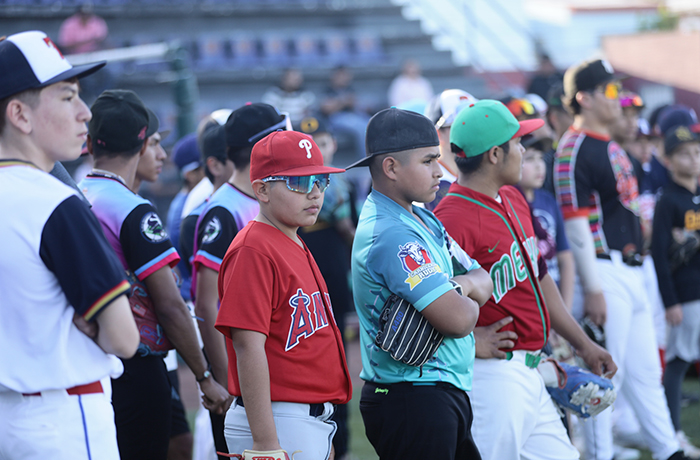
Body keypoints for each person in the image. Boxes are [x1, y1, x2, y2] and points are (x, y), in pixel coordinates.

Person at [434, 99, 615, 460]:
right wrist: (471, 341)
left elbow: (540, 277)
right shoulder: (451, 218)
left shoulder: (513, 197)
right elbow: (430, 300)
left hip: (534, 367)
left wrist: (582, 344)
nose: (523, 150)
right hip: (493, 376)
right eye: (517, 144)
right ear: (495, 155)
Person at [0, 30, 139, 460]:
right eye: (66, 97)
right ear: (20, 115)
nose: (84, 114)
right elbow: (124, 339)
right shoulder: (54, 200)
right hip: (64, 416)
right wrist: (101, 324)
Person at [80, 89, 230, 460]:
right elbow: (170, 306)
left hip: (90, 359)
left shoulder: (78, 195)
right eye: (156, 143)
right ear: (141, 141)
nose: (162, 155)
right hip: (137, 364)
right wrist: (203, 376)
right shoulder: (132, 209)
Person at [554, 58, 687, 460]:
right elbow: (576, 226)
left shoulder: (609, 143)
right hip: (604, 268)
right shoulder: (574, 147)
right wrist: (592, 288)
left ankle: (668, 450)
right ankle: (600, 455)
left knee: (646, 373)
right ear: (585, 98)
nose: (618, 98)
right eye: (610, 91)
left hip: (632, 267)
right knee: (606, 377)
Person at [348, 107, 492, 460]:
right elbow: (460, 321)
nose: (439, 171)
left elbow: (485, 280)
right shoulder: (393, 232)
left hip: (435, 393)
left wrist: (455, 288)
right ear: (391, 168)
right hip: (413, 398)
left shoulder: (422, 217)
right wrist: (463, 291)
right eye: (428, 161)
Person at [215, 130, 352, 460]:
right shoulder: (253, 248)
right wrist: (264, 443)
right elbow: (248, 347)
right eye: (298, 183)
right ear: (262, 189)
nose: (314, 192)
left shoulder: (291, 238)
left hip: (305, 417)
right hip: (276, 418)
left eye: (319, 180)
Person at [193, 102, 289, 459]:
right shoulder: (225, 208)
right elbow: (206, 302)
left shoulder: (264, 199)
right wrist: (223, 379)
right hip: (241, 375)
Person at [297, 115, 355, 459]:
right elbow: (347, 228)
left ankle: (339, 441)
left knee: (335, 356)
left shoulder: (336, 182)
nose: (322, 146)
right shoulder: (326, 185)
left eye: (325, 140)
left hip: (331, 274)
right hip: (320, 271)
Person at [652, 125, 700, 458]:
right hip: (685, 295)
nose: (693, 159)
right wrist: (670, 301)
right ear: (668, 160)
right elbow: (658, 254)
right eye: (684, 153)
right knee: (679, 362)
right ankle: (674, 432)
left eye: (697, 152)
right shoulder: (668, 200)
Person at [423, 89, 479, 211]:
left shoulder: (482, 174)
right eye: (462, 125)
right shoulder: (427, 183)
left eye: (474, 124)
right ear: (438, 134)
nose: (472, 132)